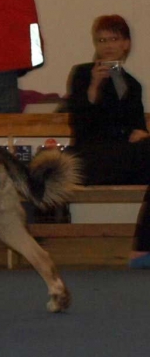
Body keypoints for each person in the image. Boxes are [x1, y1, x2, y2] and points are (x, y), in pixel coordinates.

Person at [66, 15, 150, 269]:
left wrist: (140, 133)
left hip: (122, 157)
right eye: (101, 40)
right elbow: (79, 125)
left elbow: (138, 127)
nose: (107, 45)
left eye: (114, 39)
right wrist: (93, 86)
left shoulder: (132, 85)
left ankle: (143, 248)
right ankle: (143, 249)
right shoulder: (82, 74)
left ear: (126, 44)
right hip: (90, 157)